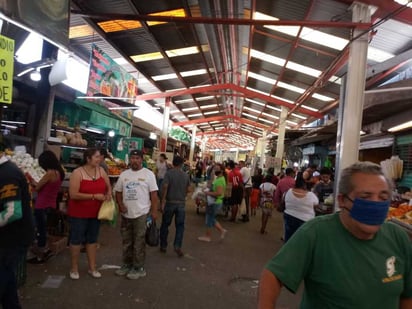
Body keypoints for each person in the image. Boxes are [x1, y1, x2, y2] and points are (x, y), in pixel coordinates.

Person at [258, 161, 412, 308]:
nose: (376, 204)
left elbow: (407, 294)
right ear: (342, 200)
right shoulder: (316, 233)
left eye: (383, 198)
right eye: (365, 197)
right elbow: (273, 276)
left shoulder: (398, 237)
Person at [68, 148, 112, 280]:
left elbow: (108, 185)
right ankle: (74, 268)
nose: (99, 159)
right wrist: (93, 196)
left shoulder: (101, 171)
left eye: (100, 157)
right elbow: (73, 194)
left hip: (96, 213)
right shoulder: (77, 173)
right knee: (76, 239)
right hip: (78, 213)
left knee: (92, 239)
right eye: (96, 157)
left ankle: (92, 267)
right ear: (88, 159)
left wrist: (109, 192)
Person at [114, 150, 158, 280]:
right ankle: (126, 264)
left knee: (139, 241)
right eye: (132, 158)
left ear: (141, 160)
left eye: (137, 158)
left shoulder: (149, 174)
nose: (134, 160)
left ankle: (138, 267)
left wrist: (154, 211)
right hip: (126, 214)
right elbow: (118, 192)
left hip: (142, 214)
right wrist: (120, 204)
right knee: (127, 241)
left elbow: (154, 195)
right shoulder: (124, 175)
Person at [0, 143, 35, 308]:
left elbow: (12, 212)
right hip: (8, 237)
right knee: (8, 285)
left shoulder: (8, 174)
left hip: (12, 239)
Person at [28, 150, 65, 264]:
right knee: (44, 229)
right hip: (50, 204)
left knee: (40, 230)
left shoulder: (49, 173)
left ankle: (40, 254)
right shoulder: (59, 172)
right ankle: (46, 250)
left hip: (42, 205)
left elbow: (38, 187)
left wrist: (30, 180)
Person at [159, 156, 191, 257]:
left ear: (173, 163)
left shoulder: (169, 174)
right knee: (180, 226)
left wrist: (162, 201)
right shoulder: (185, 175)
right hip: (181, 203)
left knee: (165, 225)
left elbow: (165, 186)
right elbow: (189, 189)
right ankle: (177, 245)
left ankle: (163, 245)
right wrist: (184, 195)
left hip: (170, 202)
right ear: (182, 164)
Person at [283, 172, 318, 242]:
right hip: (305, 220)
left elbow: (283, 200)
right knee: (302, 241)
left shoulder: (288, 192)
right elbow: (316, 205)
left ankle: (288, 251)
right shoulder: (311, 195)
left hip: (289, 216)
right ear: (305, 184)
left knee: (288, 238)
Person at [198, 163, 227, 242]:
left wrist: (208, 193)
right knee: (211, 218)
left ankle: (208, 236)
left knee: (209, 219)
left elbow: (219, 193)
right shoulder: (219, 178)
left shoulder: (220, 180)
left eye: (217, 169)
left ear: (221, 170)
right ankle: (221, 231)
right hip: (214, 202)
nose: (215, 170)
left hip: (215, 202)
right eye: (215, 169)